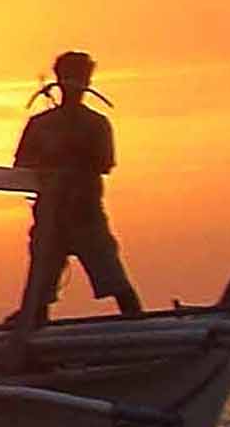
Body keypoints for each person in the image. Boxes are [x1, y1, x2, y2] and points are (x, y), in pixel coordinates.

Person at [10, 50, 143, 335]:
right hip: (49, 217)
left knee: (114, 278)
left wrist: (74, 155)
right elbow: (21, 165)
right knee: (40, 289)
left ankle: (141, 331)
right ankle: (33, 340)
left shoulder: (96, 124)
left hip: (87, 215)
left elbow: (104, 163)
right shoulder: (40, 124)